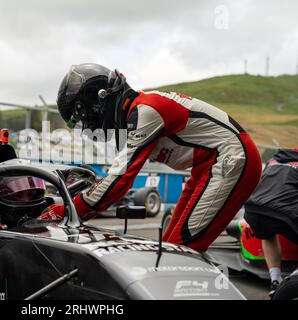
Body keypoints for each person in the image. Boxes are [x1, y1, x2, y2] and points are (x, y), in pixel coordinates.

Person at [41, 63, 262, 253]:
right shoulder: (139, 111)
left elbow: (119, 181)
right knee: (169, 248)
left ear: (97, 100)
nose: (86, 127)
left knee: (181, 253)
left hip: (232, 158)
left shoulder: (146, 111)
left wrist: (64, 210)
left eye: (81, 117)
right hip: (211, 163)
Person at [244, 148, 298, 295]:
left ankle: (275, 280)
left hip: (253, 209)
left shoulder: (273, 160)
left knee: (267, 235)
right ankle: (294, 279)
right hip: (284, 211)